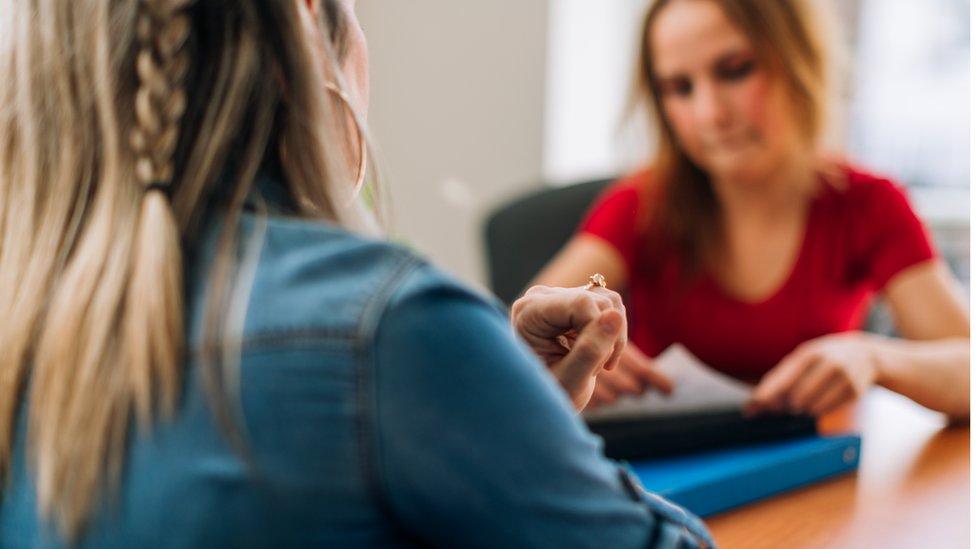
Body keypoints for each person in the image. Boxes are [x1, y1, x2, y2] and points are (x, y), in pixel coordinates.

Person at [0, 0, 714, 547]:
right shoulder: (385, 329)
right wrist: (494, 404)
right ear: (310, 24)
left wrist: (507, 403)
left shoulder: (26, 326)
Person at [533, 0, 969, 419]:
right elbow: (521, 334)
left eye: (735, 71)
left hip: (816, 475)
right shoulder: (641, 204)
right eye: (679, 88)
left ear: (798, 58)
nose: (710, 114)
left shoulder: (867, 204)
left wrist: (875, 358)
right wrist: (564, 353)